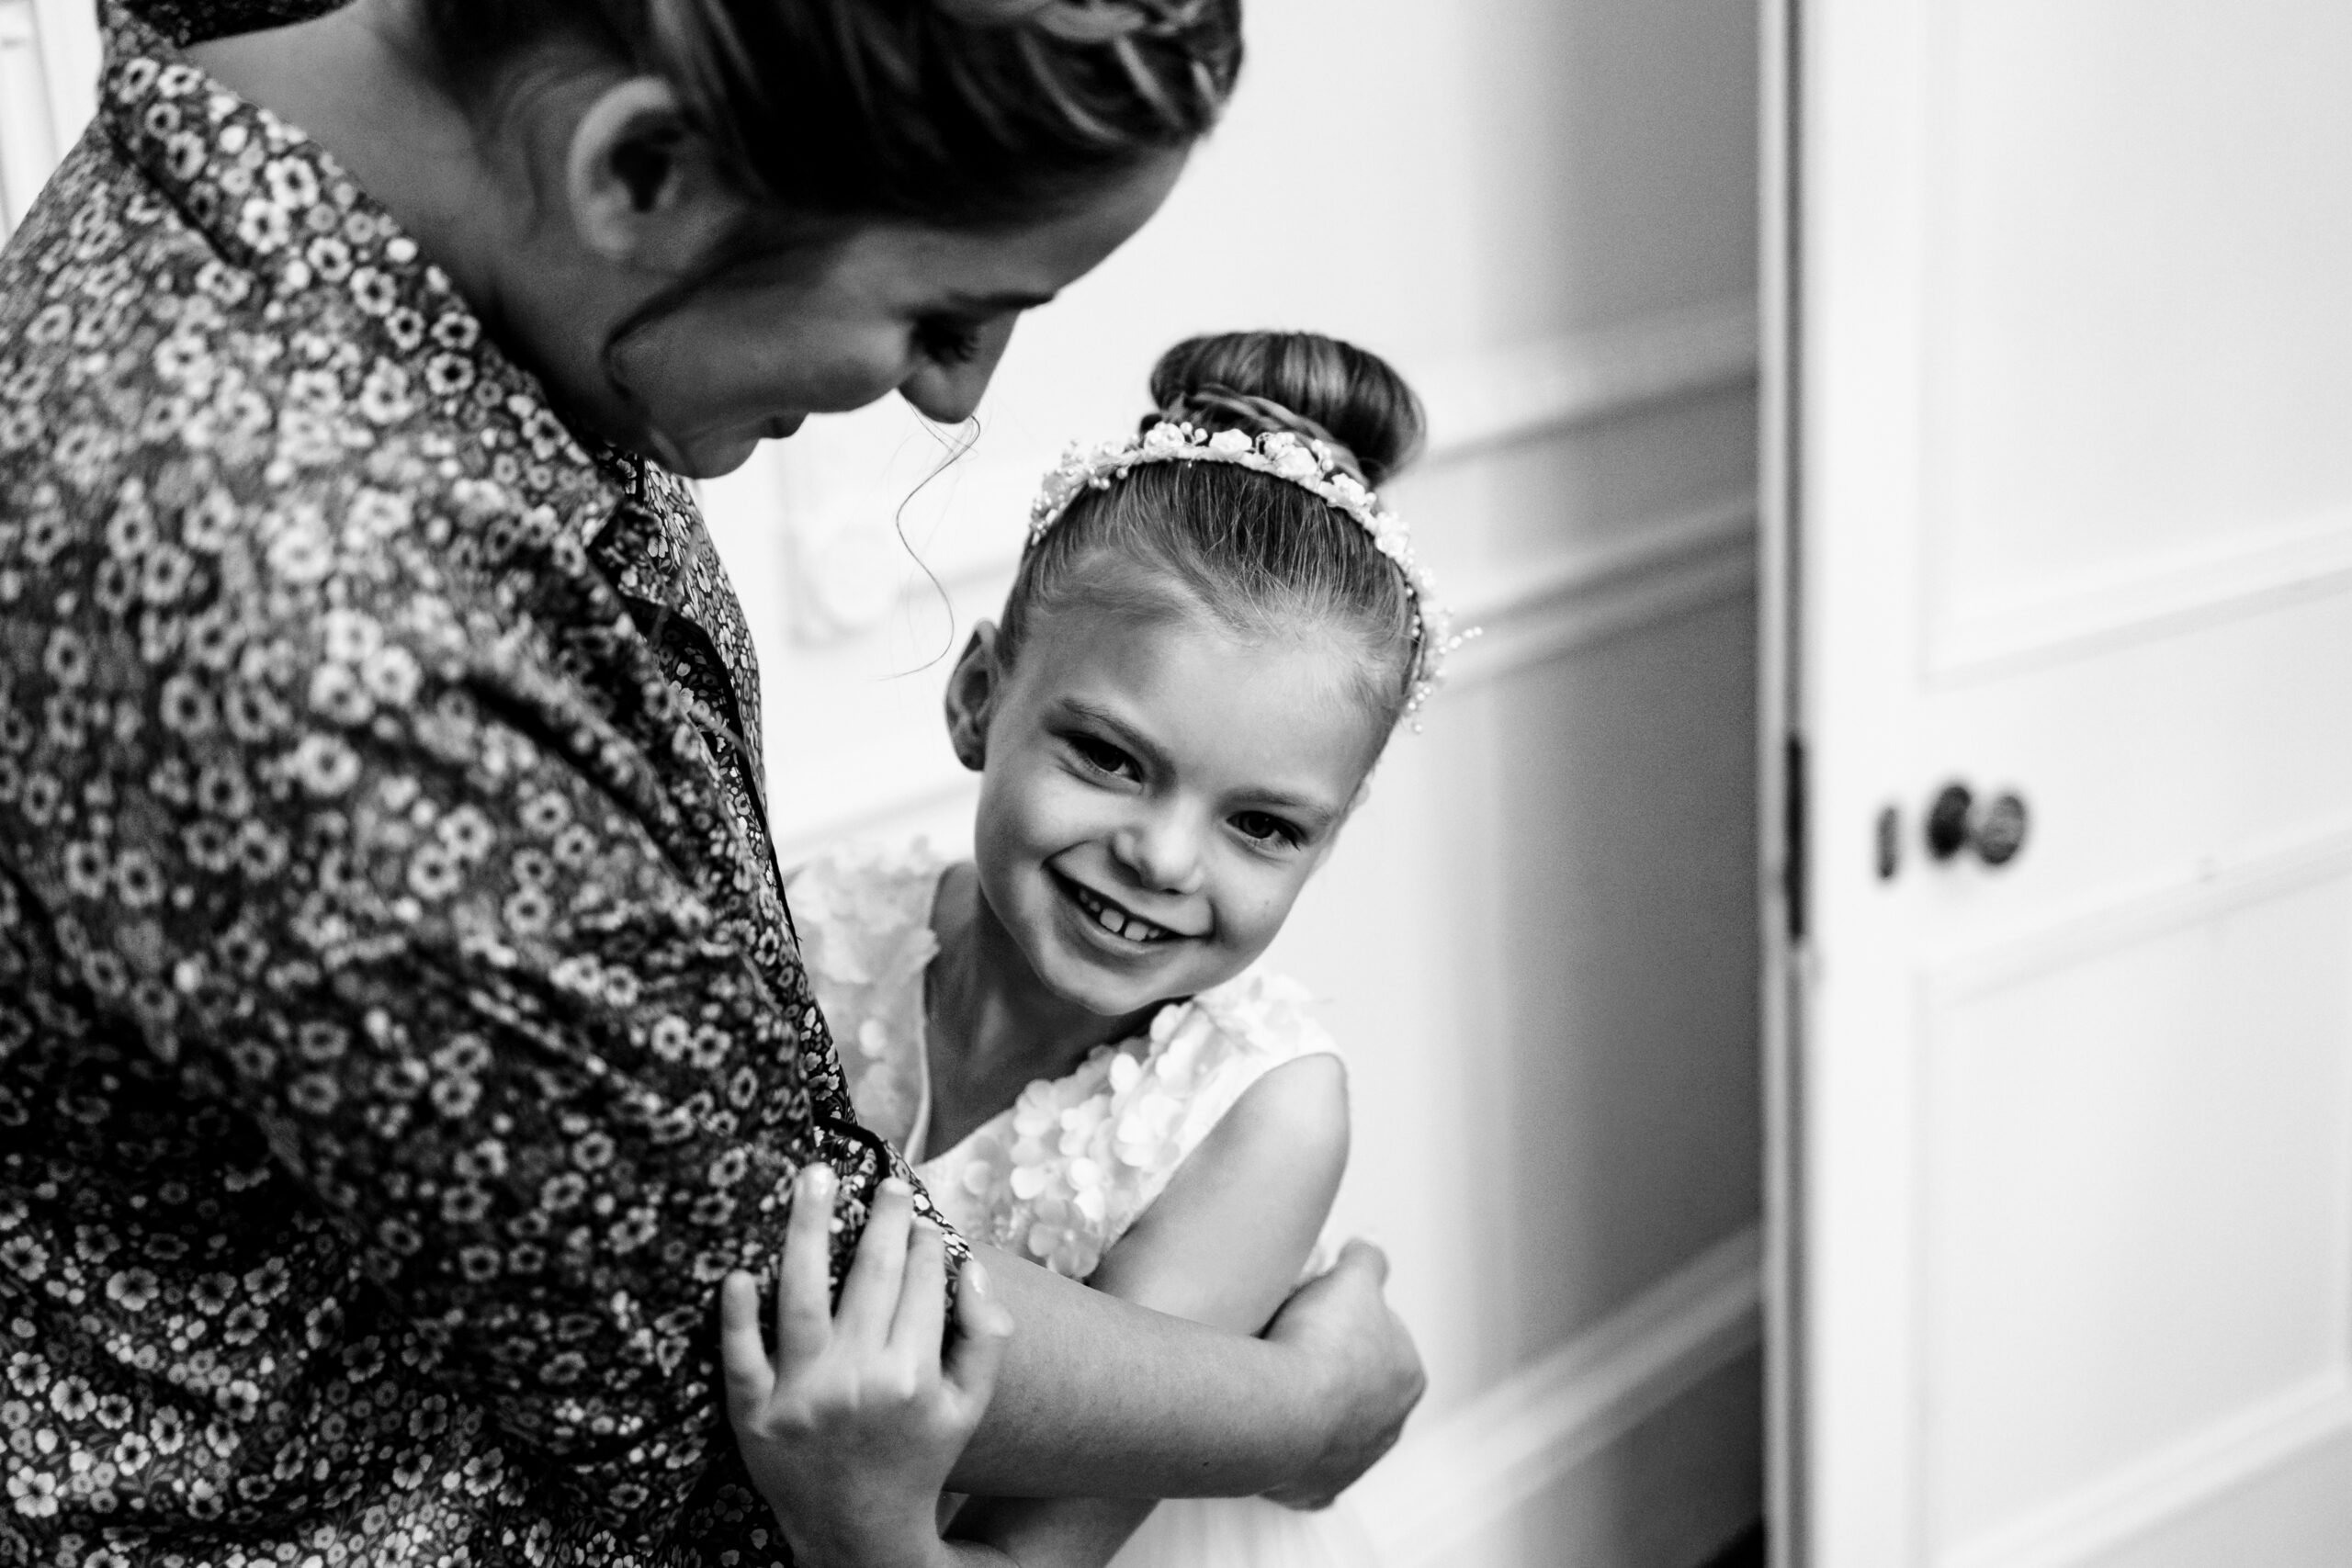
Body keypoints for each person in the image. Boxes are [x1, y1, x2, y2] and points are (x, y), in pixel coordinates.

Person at [0, 5, 1424, 1565]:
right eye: (943, 310)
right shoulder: (327, 632)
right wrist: (1307, 1412)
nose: (956, 399)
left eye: (1265, 818)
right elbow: (771, 1279)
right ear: (644, 171)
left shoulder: (362, 156)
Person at [724, 333, 1462, 1567]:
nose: (1166, 859)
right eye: (1111, 758)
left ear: (1324, 845)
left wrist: (860, 1523)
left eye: (1263, 825)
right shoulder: (828, 918)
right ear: (977, 700)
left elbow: (1030, 1555)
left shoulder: (1260, 1111)